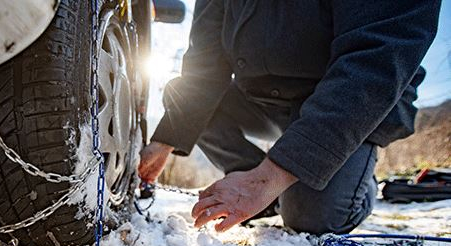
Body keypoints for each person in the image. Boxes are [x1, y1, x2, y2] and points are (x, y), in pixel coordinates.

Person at [138, 0, 441, 233]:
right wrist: (166, 139)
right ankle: (259, 185)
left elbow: (376, 61)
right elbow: (204, 66)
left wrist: (268, 178)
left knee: (311, 216)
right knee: (181, 93)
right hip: (261, 99)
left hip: (346, 101)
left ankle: (352, 175)